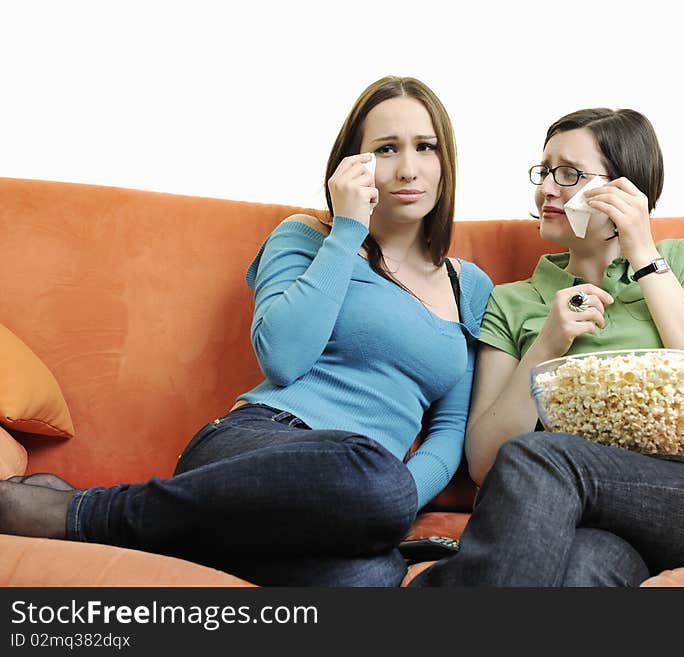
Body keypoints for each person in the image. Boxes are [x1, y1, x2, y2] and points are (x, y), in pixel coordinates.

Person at [0, 76, 493, 587]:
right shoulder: (308, 238)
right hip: (259, 444)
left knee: (367, 577)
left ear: (445, 161)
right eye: (387, 149)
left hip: (353, 493)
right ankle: (85, 514)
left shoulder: (469, 286)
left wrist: (389, 503)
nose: (409, 168)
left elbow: (451, 428)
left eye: (425, 147)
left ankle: (140, 525)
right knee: (372, 474)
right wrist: (348, 230)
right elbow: (283, 358)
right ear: (354, 165)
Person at [411, 108, 684, 587]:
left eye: (570, 174)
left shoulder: (682, 262)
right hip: (587, 517)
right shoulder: (514, 300)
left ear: (625, 190)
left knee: (541, 454)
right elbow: (484, 461)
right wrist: (548, 343)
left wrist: (642, 253)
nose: (547, 189)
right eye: (545, 171)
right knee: (582, 573)